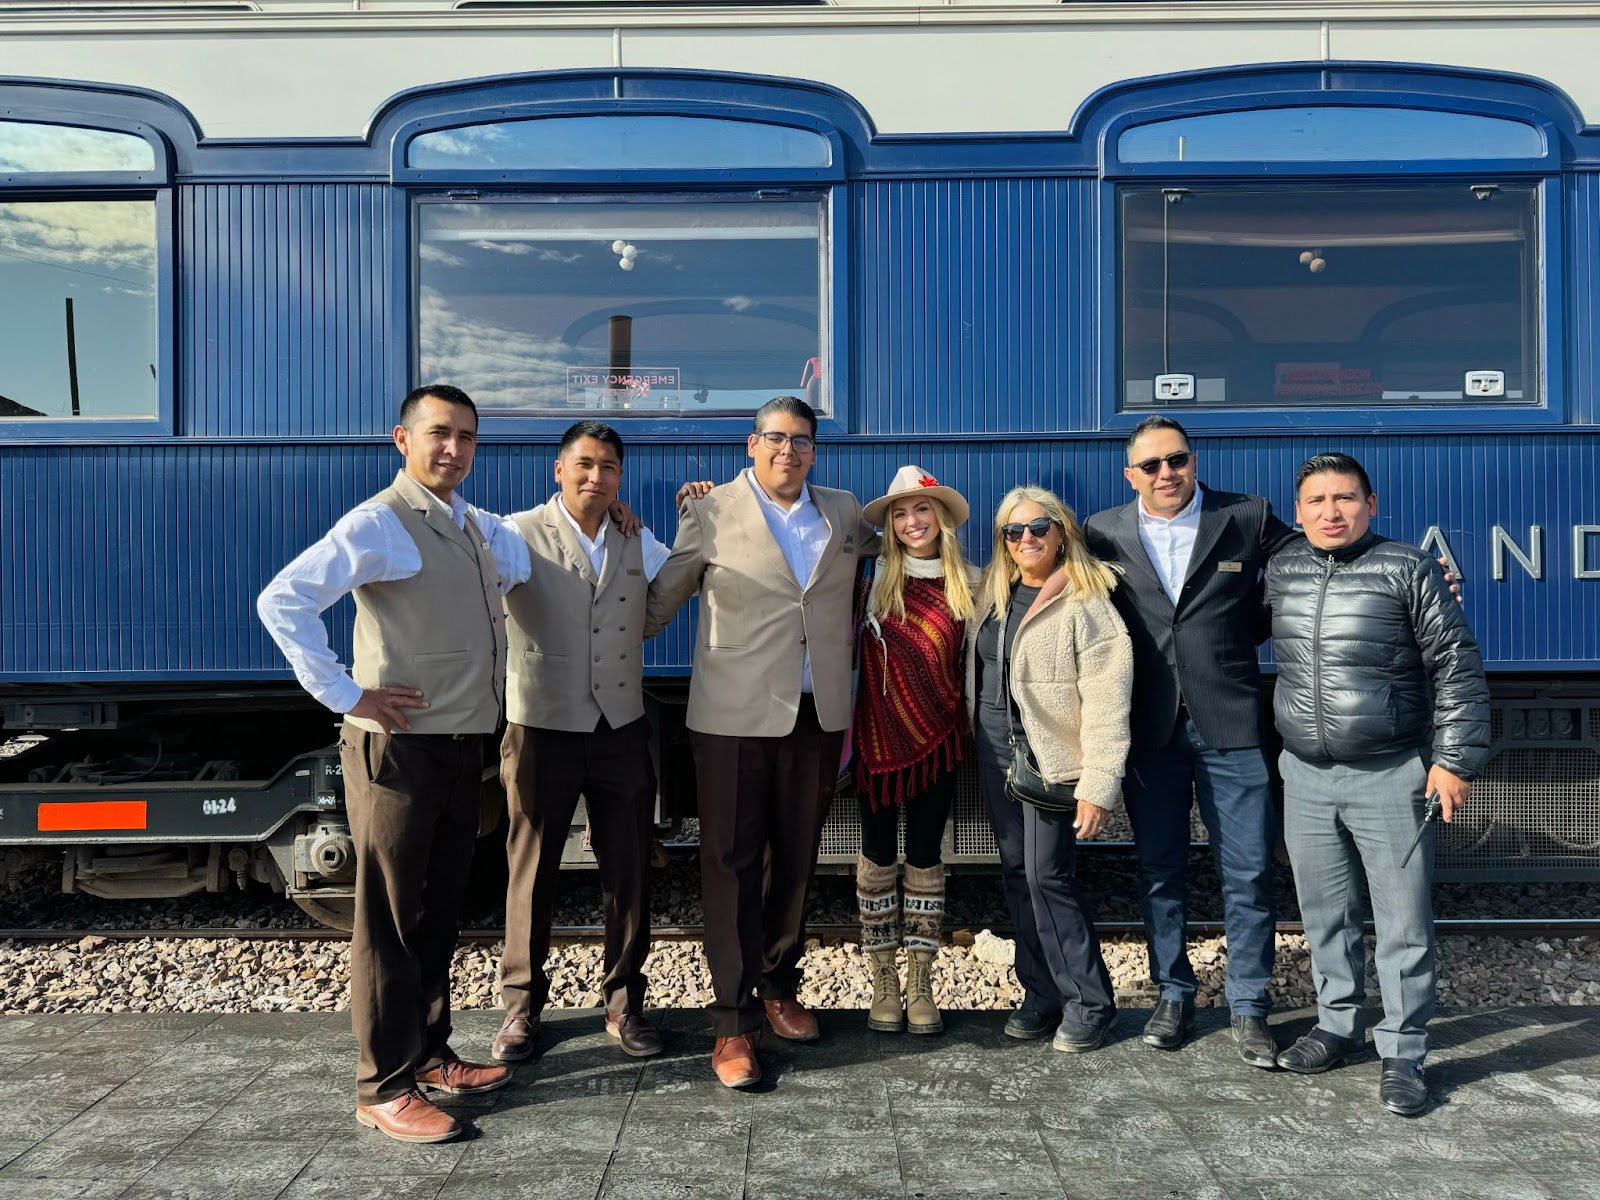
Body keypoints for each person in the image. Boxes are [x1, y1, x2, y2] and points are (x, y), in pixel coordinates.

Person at [257, 385, 519, 1144]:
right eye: (440, 434)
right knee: (390, 917)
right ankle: (382, 1084)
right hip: (398, 750)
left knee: (436, 909)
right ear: (400, 439)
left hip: (458, 743)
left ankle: (431, 1054)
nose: (454, 449)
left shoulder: (471, 525)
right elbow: (284, 600)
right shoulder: (380, 521)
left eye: (467, 437)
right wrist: (346, 693)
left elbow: (548, 550)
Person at [644, 395, 875, 1088]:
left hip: (817, 712)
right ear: (751, 445)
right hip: (732, 718)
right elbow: (661, 600)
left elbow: (905, 541)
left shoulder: (844, 512)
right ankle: (731, 1023)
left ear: (814, 449)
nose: (788, 450)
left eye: (801, 440)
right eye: (775, 438)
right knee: (731, 864)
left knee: (797, 861)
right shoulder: (709, 512)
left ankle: (778, 986)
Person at [1265, 453, 1489, 1116]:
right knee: (1324, 914)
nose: (1331, 512)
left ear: (1372, 504)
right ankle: (1336, 1025)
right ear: (1298, 510)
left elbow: (1457, 667)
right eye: (1317, 500)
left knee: (1401, 920)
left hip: (1390, 772)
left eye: (1345, 498)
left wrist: (1453, 761)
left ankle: (1403, 1048)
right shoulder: (1282, 568)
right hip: (1303, 773)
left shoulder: (1408, 568)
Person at [1083, 416, 1294, 1068]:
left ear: (1193, 461)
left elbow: (1314, 559)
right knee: (1159, 869)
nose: (1166, 473)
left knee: (1249, 869)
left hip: (1230, 721)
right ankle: (1173, 993)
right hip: (1151, 728)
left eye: (1176, 460)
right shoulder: (1102, 531)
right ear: (1130, 475)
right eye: (1150, 465)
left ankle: (1250, 1006)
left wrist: (1398, 572)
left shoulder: (1247, 517)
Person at [490, 421, 674, 1065]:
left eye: (609, 468)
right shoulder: (514, 532)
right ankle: (520, 1008)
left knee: (627, 867)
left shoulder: (634, 535)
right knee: (531, 865)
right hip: (541, 724)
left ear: (621, 479)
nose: (597, 477)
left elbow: (677, 578)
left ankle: (625, 1003)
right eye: (585, 465)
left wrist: (697, 512)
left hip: (621, 724)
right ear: (559, 470)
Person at [965, 486, 1133, 1053]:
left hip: (1050, 761)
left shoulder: (1087, 600)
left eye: (1039, 528)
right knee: (1017, 873)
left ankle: (1090, 1002)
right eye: (1014, 531)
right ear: (1002, 541)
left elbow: (1109, 697)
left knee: (1047, 876)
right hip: (996, 755)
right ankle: (1040, 994)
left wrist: (1099, 783)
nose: (1027, 539)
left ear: (1062, 532)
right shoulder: (993, 594)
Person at [853, 465, 976, 1036]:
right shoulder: (870, 579)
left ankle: (921, 979)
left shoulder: (970, 584)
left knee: (926, 856)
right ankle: (883, 977)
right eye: (899, 514)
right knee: (877, 854)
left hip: (939, 742)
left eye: (920, 510)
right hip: (877, 747)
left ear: (941, 518)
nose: (910, 522)